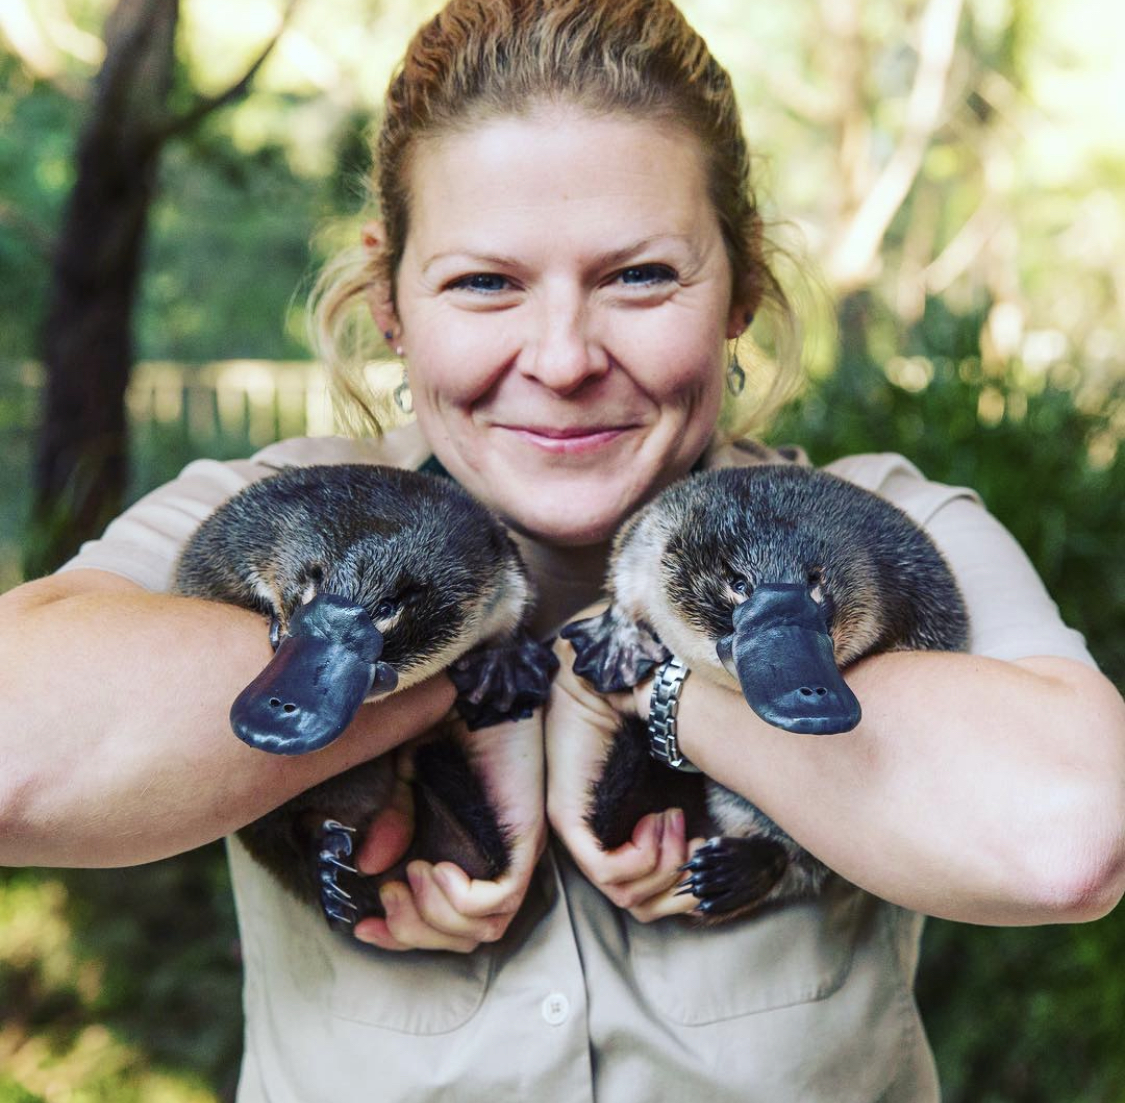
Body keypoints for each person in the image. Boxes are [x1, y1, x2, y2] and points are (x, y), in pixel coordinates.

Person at [2, 0, 1123, 1099]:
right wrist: (450, 689)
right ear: (392, 302)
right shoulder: (269, 513)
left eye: (638, 276)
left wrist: (649, 693)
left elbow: (1069, 838)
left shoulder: (885, 531)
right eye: (484, 282)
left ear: (742, 289)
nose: (563, 357)